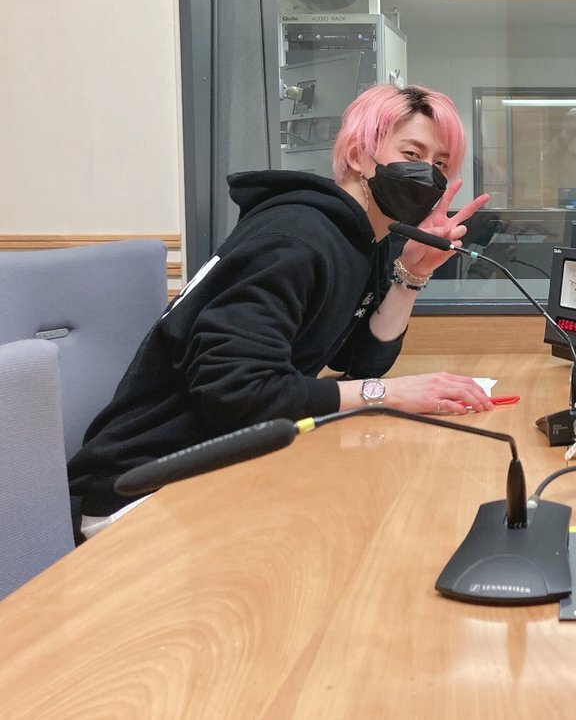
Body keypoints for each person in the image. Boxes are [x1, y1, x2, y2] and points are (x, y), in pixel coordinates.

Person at [68, 84, 494, 538]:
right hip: (145, 489)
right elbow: (241, 391)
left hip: (226, 462)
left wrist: (410, 275)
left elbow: (360, 361)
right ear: (357, 154)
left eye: (440, 165)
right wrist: (388, 393)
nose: (427, 174)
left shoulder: (361, 240)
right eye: (412, 153)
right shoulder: (295, 237)